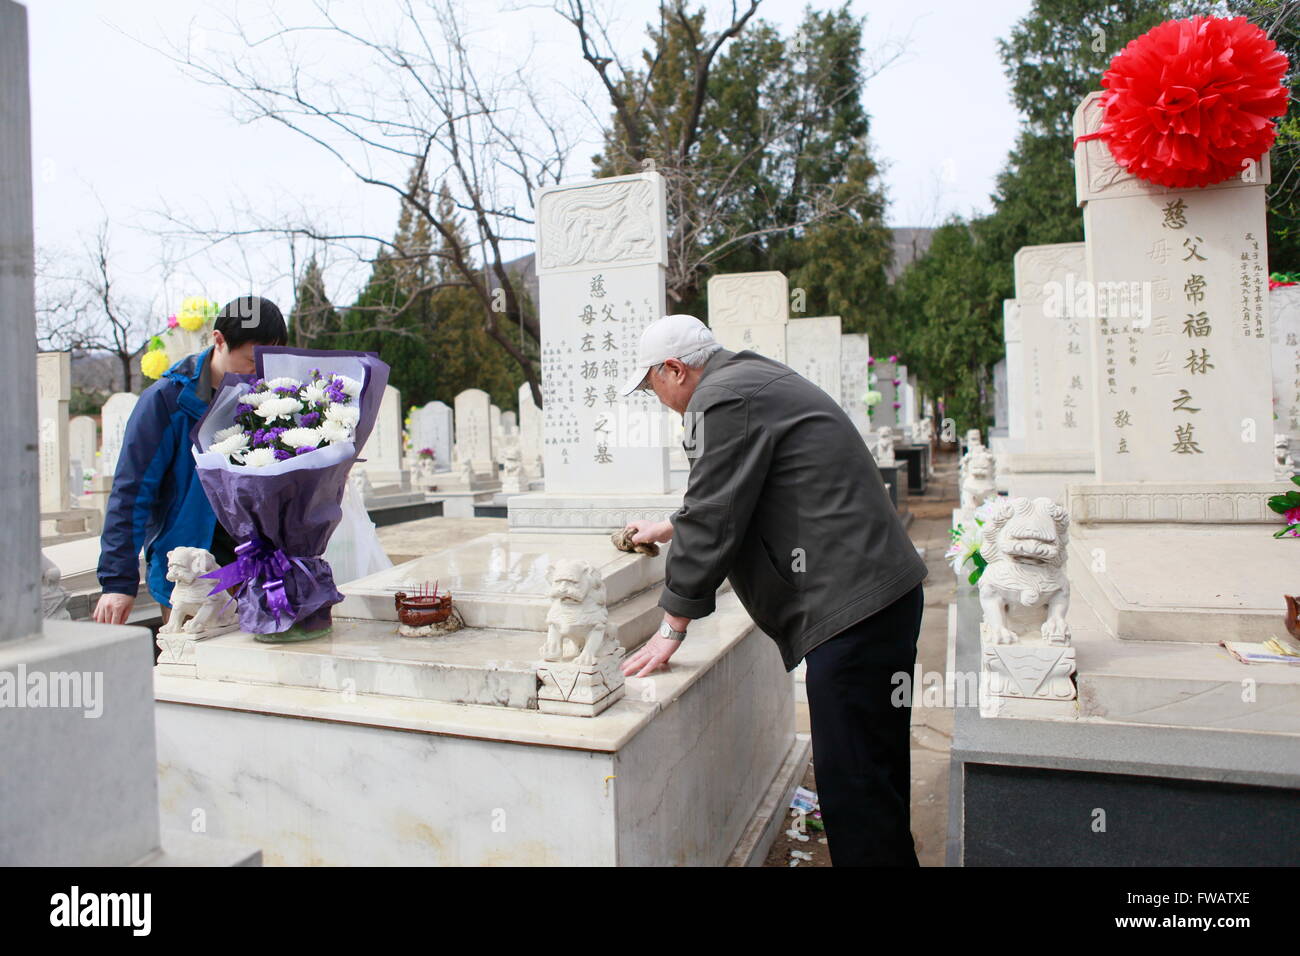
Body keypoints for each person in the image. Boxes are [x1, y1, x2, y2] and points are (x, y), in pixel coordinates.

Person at [618, 313, 928, 867]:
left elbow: (715, 514)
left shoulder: (721, 399)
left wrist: (672, 626)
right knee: (876, 775)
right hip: (879, 595)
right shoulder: (748, 379)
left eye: (652, 386)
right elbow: (739, 490)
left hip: (852, 610)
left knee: (854, 789)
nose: (657, 399)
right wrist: (670, 527)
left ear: (674, 369)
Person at [92, 296, 289, 625]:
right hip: (190, 568)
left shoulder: (267, 399)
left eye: (269, 358)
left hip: (255, 566)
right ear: (219, 340)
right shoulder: (165, 402)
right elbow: (131, 491)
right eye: (250, 360)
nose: (260, 370)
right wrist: (117, 581)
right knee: (193, 664)